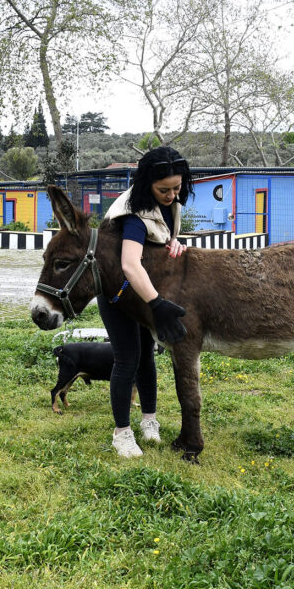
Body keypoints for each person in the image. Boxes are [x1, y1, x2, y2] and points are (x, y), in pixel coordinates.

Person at [98, 146, 193, 458]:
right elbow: (129, 264)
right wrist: (157, 304)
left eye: (177, 188)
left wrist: (175, 241)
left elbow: (162, 237)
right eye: (163, 190)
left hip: (142, 291)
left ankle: (149, 420)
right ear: (146, 186)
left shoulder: (170, 202)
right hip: (119, 292)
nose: (171, 195)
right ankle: (121, 433)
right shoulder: (134, 213)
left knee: (147, 358)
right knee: (127, 358)